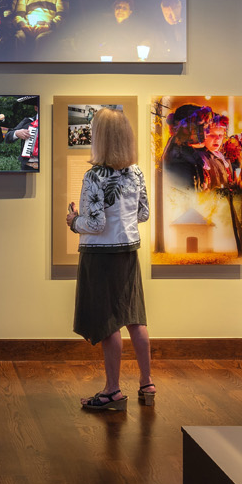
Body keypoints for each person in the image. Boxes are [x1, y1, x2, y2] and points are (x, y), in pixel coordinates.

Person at [66, 109, 154, 411]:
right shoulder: (136, 172)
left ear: (100, 138)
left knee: (108, 324)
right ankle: (147, 383)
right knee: (134, 318)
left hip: (101, 255)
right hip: (129, 251)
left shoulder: (94, 177)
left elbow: (95, 224)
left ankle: (112, 390)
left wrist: (73, 219)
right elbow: (143, 214)